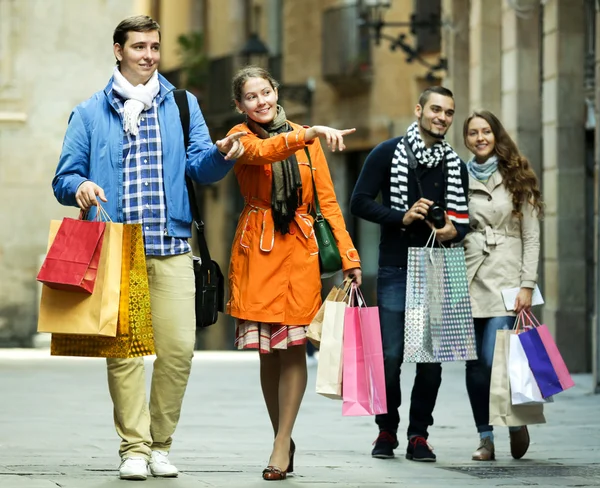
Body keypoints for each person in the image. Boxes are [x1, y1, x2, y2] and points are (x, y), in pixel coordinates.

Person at [52, 15, 246, 481]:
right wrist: (79, 186)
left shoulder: (181, 104)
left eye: (154, 47)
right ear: (118, 50)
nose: (149, 55)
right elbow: (63, 177)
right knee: (123, 354)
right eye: (139, 47)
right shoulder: (89, 113)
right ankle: (134, 448)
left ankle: (161, 444)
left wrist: (221, 153)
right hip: (117, 246)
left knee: (179, 349)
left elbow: (200, 166)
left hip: (172, 241)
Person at [227, 66, 362, 481]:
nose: (261, 102)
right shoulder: (238, 138)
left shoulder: (308, 141)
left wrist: (350, 257)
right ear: (240, 105)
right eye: (251, 97)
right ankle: (281, 438)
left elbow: (328, 202)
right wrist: (309, 133)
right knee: (269, 352)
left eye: (265, 92)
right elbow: (264, 154)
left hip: (301, 252)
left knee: (293, 348)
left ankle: (281, 442)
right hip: (259, 251)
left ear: (276, 91)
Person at [350, 87, 470, 462]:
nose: (442, 117)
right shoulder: (387, 153)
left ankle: (419, 434)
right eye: (436, 109)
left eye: (449, 112)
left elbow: (462, 221)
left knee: (431, 361)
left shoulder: (455, 164)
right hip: (395, 265)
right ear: (418, 109)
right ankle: (386, 430)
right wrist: (400, 216)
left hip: (438, 266)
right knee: (389, 356)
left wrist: (454, 230)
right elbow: (359, 202)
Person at [462, 110, 543, 461]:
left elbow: (532, 236)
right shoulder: (458, 175)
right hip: (470, 275)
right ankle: (485, 437)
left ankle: (513, 423)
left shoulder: (516, 175)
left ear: (496, 135)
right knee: (474, 364)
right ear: (466, 139)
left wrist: (527, 284)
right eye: (473, 133)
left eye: (486, 131)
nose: (480, 138)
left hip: (507, 278)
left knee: (495, 357)